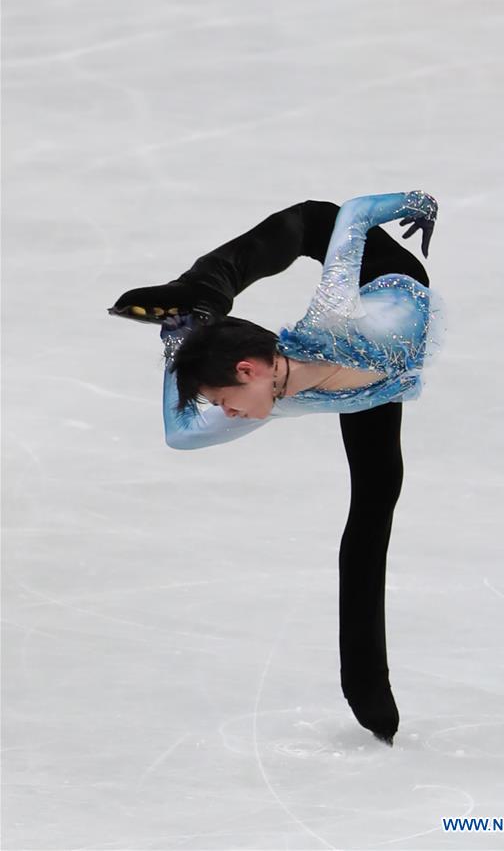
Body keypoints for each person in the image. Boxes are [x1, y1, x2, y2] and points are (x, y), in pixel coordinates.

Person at [108, 191, 444, 746]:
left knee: (314, 221)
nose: (223, 414)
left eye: (221, 398)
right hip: (351, 385)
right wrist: (182, 346)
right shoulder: (271, 395)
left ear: (246, 370)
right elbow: (179, 434)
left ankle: (202, 304)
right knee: (377, 492)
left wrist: (418, 201)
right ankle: (198, 306)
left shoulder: (337, 317)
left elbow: (354, 213)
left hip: (382, 289)